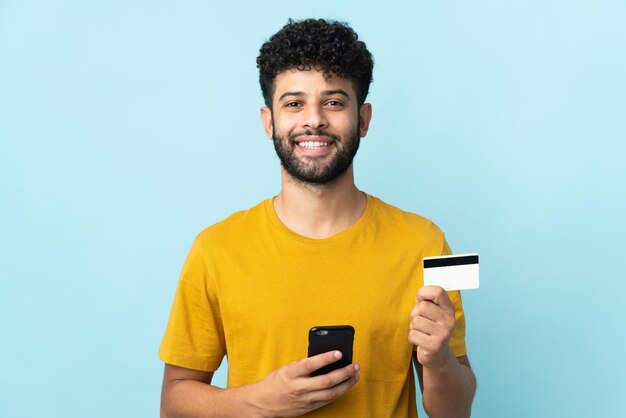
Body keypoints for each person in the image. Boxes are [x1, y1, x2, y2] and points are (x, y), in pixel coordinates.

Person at [159, 18, 476, 418]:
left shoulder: (428, 243)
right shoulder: (214, 248)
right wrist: (263, 401)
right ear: (268, 121)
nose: (314, 120)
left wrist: (440, 359)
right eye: (293, 104)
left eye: (333, 102)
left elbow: (458, 410)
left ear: (363, 119)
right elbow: (172, 404)